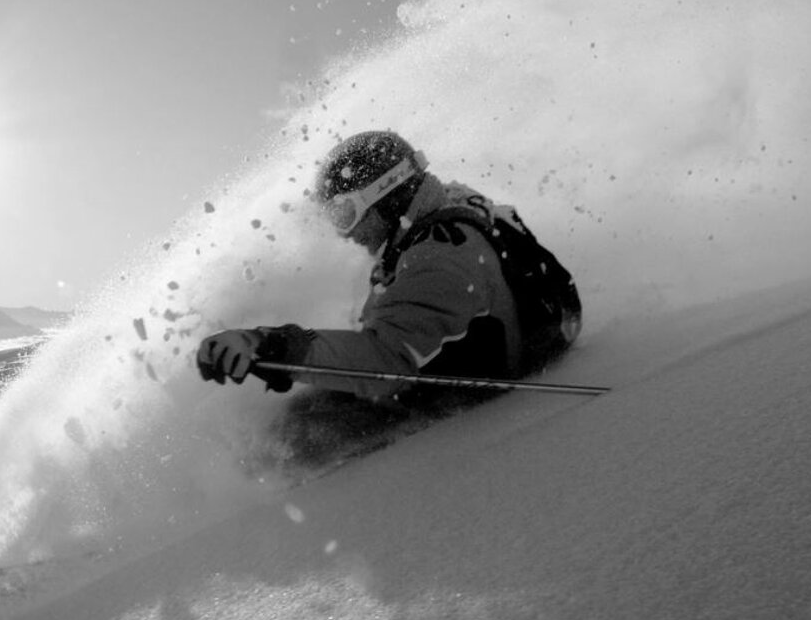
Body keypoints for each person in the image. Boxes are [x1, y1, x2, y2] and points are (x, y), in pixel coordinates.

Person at [196, 130, 579, 412]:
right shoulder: (437, 216)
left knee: (303, 422)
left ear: (387, 196)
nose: (345, 233)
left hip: (471, 385)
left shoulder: (438, 255)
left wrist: (269, 345)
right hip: (461, 355)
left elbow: (386, 360)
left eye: (345, 215)